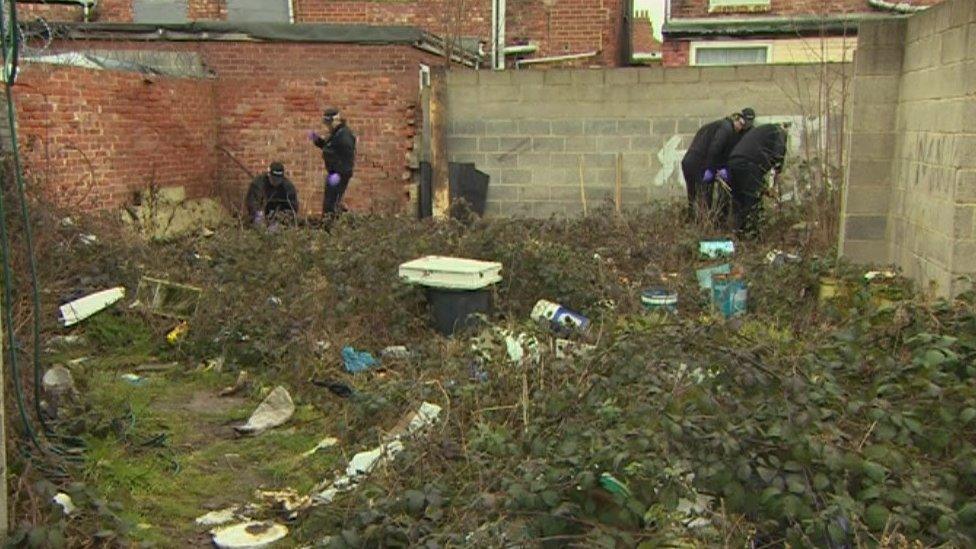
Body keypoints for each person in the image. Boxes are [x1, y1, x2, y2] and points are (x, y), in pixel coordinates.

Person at [681, 107, 756, 220]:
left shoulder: (722, 126)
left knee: (694, 197)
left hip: (690, 162)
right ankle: (703, 224)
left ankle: (695, 221)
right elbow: (714, 150)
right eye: (741, 125)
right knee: (704, 196)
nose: (741, 129)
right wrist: (710, 170)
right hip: (698, 163)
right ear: (737, 119)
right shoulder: (726, 129)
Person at [726, 122, 789, 237]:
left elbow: (758, 171)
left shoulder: (763, 132)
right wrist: (773, 186)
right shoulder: (779, 132)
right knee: (753, 200)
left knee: (739, 200)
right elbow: (778, 158)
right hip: (748, 165)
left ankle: (738, 232)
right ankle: (753, 235)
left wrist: (765, 186)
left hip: (733, 162)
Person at [310, 107, 357, 217]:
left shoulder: (344, 135)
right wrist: (318, 141)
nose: (327, 126)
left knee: (330, 204)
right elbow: (330, 147)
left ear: (335, 120)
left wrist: (338, 172)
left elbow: (345, 155)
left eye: (329, 123)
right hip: (335, 173)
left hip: (338, 174)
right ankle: (336, 218)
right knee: (331, 202)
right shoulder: (337, 133)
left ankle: (331, 226)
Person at [245, 161, 299, 227]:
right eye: (273, 179)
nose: (275, 182)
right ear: (269, 175)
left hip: (280, 220)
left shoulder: (288, 188)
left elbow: (293, 208)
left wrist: (280, 216)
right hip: (260, 215)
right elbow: (252, 201)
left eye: (278, 180)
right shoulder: (258, 184)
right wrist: (258, 213)